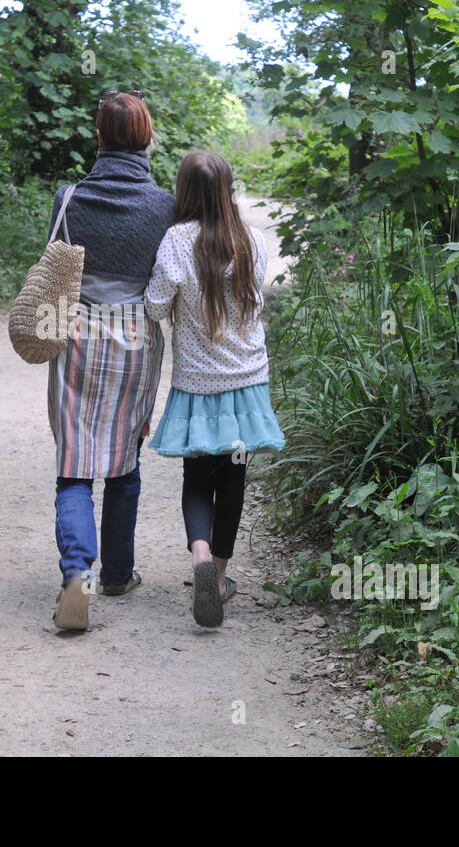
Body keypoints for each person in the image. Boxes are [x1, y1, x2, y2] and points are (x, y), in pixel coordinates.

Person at [47, 90, 174, 630]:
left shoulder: (68, 197)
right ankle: (119, 573)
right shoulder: (166, 206)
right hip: (135, 335)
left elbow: (54, 263)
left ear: (99, 136)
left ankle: (77, 571)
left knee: (75, 458)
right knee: (125, 455)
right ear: (147, 138)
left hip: (75, 329)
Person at [145, 149, 285, 627]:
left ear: (184, 190)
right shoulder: (252, 239)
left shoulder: (176, 240)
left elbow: (154, 307)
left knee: (197, 479)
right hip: (247, 383)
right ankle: (220, 578)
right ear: (228, 188)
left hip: (196, 386)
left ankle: (200, 557)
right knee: (234, 481)